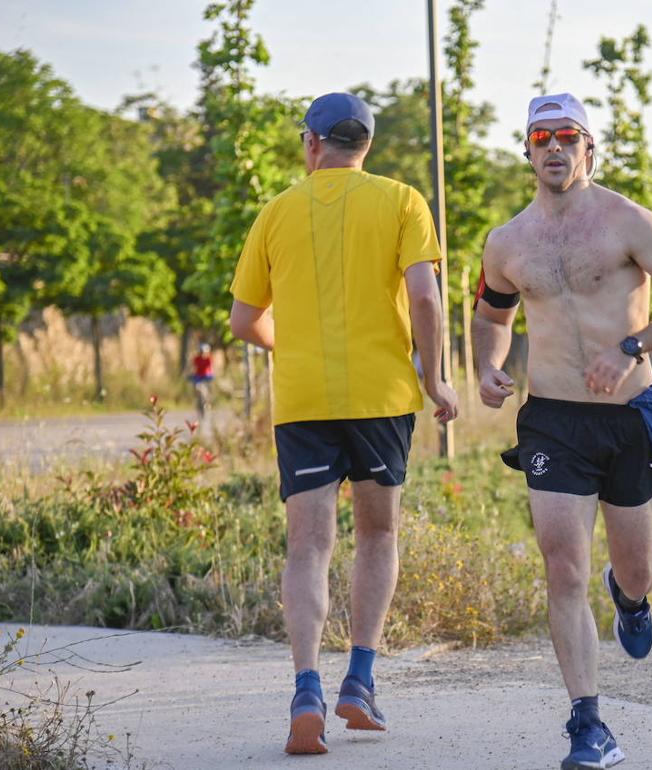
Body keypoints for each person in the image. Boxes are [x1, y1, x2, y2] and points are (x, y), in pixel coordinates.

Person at [472, 92, 652, 770]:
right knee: (562, 565)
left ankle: (630, 596)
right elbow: (492, 318)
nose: (554, 147)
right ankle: (588, 724)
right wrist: (489, 369)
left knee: (635, 568)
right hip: (552, 419)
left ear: (588, 148)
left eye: (567, 137)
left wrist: (632, 348)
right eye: (541, 137)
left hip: (628, 418)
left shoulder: (628, 222)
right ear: (527, 150)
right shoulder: (507, 242)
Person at [229, 92, 458, 755]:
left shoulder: (275, 212)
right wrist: (435, 377)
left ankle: (306, 687)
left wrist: (292, 345)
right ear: (367, 146)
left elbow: (245, 321)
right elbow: (423, 294)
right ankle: (359, 680)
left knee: (308, 547)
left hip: (302, 400)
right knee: (377, 532)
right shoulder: (402, 201)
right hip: (382, 396)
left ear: (311, 144)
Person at [189, 343, 214, 418]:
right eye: (201, 352)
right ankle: (198, 401)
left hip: (207, 376)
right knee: (197, 387)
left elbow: (210, 368)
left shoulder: (209, 359)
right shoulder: (196, 358)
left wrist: (211, 375)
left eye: (204, 352)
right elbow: (193, 367)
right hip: (198, 376)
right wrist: (191, 374)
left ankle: (207, 402)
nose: (202, 353)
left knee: (207, 390)